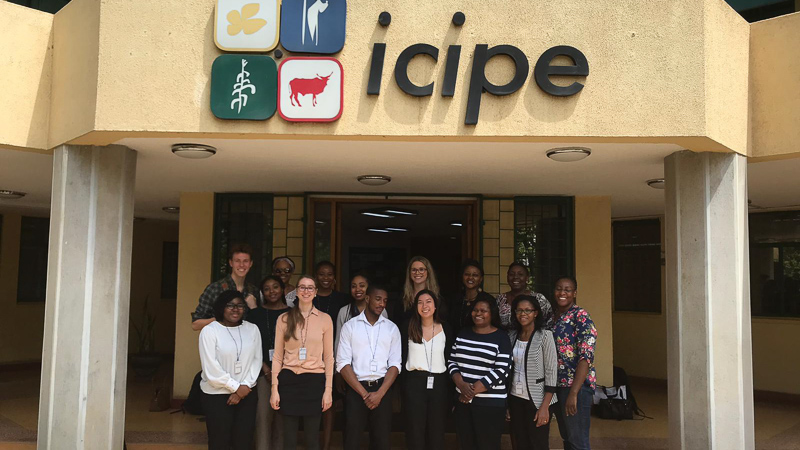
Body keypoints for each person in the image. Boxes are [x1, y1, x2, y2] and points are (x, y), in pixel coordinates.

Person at [271, 276, 334, 450]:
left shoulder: (325, 319)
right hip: (289, 380)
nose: (306, 291)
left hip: (314, 381)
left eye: (310, 288)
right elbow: (277, 356)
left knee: (312, 439)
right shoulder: (283, 319)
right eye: (302, 288)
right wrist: (274, 389)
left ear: (315, 292)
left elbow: (329, 358)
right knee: (289, 439)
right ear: (297, 291)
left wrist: (328, 391)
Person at [336, 284, 402, 450]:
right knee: (352, 439)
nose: (382, 304)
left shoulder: (392, 328)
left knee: (382, 440)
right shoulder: (350, 326)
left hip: (383, 389)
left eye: (385, 301)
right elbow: (343, 363)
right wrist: (365, 394)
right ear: (367, 299)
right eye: (378, 299)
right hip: (357, 389)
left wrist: (379, 393)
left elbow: (395, 364)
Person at [198, 290, 262, 450]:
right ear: (221, 308)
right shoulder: (210, 331)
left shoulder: (252, 329)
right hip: (217, 395)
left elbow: (257, 360)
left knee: (244, 441)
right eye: (230, 305)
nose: (235, 309)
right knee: (219, 442)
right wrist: (235, 387)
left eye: (240, 305)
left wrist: (245, 386)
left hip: (247, 393)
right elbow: (210, 368)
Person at [447, 297, 512, 450]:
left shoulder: (501, 337)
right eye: (476, 310)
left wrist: (469, 392)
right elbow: (452, 362)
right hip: (463, 403)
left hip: (490, 404)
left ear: (492, 314)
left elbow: (502, 371)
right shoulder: (463, 333)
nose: (478, 313)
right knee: (466, 444)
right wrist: (461, 385)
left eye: (483, 311)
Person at [400, 290, 454, 450]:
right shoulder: (407, 327)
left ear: (436, 306)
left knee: (436, 430)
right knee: (414, 431)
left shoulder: (446, 328)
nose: (425, 306)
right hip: (414, 383)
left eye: (429, 301)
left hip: (439, 384)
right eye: (420, 302)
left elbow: (450, 358)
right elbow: (401, 357)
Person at [551, 277, 597, 450]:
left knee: (578, 441)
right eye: (559, 288)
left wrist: (574, 392)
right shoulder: (553, 316)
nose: (562, 293)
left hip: (576, 387)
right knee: (568, 439)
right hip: (557, 386)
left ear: (575, 293)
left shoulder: (581, 316)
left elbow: (586, 356)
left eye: (567, 289)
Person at [507, 295, 558, 450]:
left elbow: (551, 371)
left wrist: (545, 407)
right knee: (520, 443)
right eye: (519, 310)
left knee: (538, 444)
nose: (523, 313)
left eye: (528, 310)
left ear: (536, 313)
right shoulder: (512, 336)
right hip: (515, 398)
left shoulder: (545, 336)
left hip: (537, 400)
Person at [246, 276, 291, 450]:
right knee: (263, 417)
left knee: (283, 418)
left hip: (287, 373)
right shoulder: (255, 314)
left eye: (275, 287)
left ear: (282, 289)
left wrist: (283, 370)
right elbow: (250, 346)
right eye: (266, 288)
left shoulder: (292, 313)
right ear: (262, 293)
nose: (272, 291)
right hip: (262, 373)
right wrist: (266, 370)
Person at [312, 261, 349, 450]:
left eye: (329, 274)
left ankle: (326, 445)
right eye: (321, 274)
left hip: (334, 356)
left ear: (334, 278)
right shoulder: (306, 297)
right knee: (312, 401)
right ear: (315, 277)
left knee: (330, 403)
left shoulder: (343, 300)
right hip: (310, 357)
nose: (325, 278)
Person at [192, 244, 259, 331]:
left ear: (251, 264)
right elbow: (195, 324)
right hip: (219, 341)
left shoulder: (253, 291)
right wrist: (222, 319)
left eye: (245, 261)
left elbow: (259, 324)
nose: (241, 265)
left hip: (246, 341)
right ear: (231, 263)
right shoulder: (215, 289)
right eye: (237, 261)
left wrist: (254, 308)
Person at [334, 274, 387, 352]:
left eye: (362, 286)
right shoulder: (344, 311)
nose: (357, 289)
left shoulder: (381, 310)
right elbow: (339, 342)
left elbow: (385, 338)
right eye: (353, 286)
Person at [496, 262, 554, 330]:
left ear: (527, 278)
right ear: (507, 277)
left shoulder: (539, 299)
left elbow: (549, 323)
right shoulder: (500, 299)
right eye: (511, 274)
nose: (515, 277)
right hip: (504, 339)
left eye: (520, 274)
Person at [448, 259, 496, 335]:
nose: (470, 278)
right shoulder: (454, 299)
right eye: (467, 274)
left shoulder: (488, 300)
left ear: (480, 279)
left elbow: (494, 326)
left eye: (475, 275)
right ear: (462, 276)